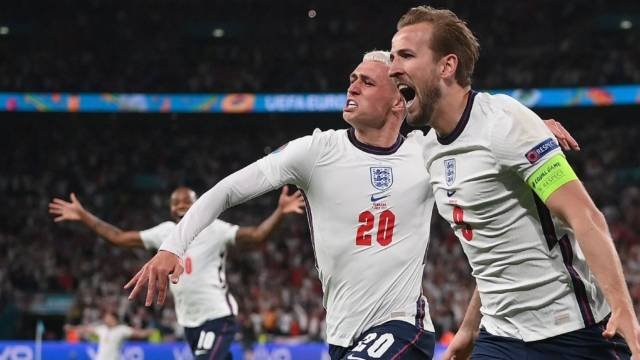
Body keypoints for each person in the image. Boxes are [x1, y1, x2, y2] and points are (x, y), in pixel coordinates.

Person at [122, 51, 575, 360]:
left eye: (366, 80)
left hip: (406, 328)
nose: (352, 85)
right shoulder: (315, 152)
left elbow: (480, 120)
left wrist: (531, 126)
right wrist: (171, 247)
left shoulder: (427, 151)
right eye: (352, 79)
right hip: (341, 335)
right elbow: (225, 192)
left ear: (398, 98)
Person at [388, 5, 639, 359]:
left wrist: (622, 307)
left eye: (406, 55)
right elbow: (490, 251)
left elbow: (585, 216)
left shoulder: (504, 123)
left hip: (570, 332)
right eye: (392, 56)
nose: (392, 67)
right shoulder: (430, 148)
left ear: (447, 66)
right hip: (500, 337)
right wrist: (468, 332)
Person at [49, 186, 304, 359]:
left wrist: (279, 212)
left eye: (187, 201)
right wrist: (84, 215)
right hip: (188, 322)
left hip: (219, 317)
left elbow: (257, 236)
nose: (181, 204)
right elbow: (118, 237)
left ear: (198, 206)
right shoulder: (164, 233)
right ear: (170, 209)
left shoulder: (215, 229)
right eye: (176, 202)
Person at [64, 309, 154, 360]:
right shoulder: (102, 329)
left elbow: (138, 334)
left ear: (114, 319)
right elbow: (86, 329)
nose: (106, 320)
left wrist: (148, 332)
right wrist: (72, 328)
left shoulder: (122, 329)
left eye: (108, 318)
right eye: (106, 318)